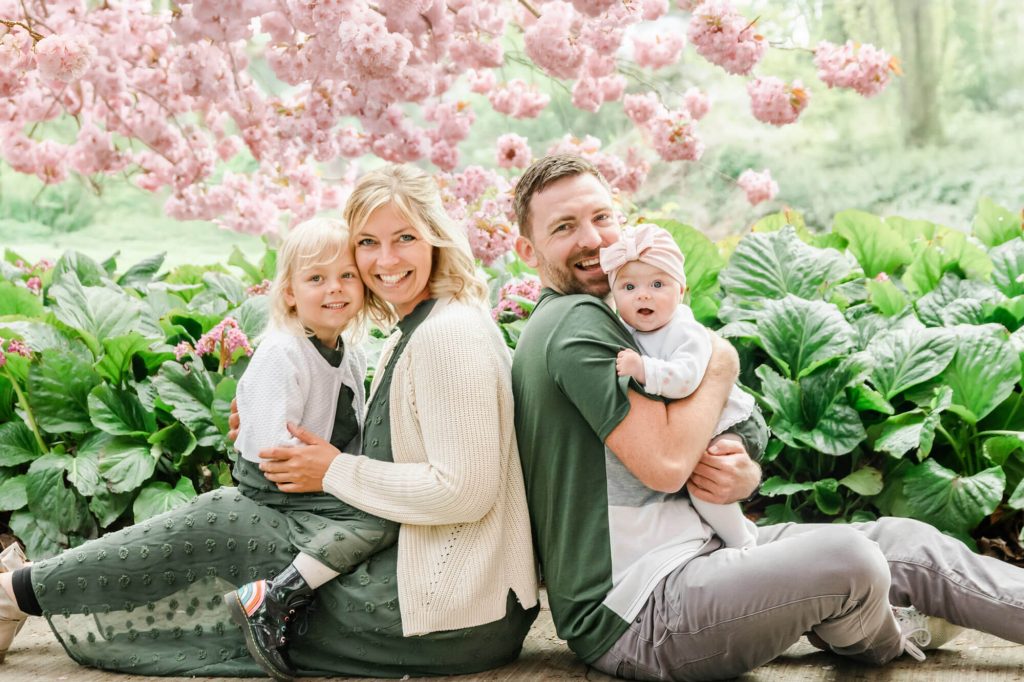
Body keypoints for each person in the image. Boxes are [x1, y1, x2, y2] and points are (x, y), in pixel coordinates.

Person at [0, 164, 539, 677]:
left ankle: (13, 595)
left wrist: (329, 470)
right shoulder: (422, 325)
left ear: (436, 239)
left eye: (405, 238)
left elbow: (465, 490)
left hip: (443, 610)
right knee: (227, 527)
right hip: (445, 588)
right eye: (368, 243)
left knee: (226, 520)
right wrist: (277, 417)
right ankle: (19, 592)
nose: (384, 259)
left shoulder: (448, 337)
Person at [510, 153, 1021, 681]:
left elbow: (687, 443)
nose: (592, 239)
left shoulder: (620, 315)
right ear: (528, 251)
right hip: (639, 611)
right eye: (565, 227)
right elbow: (664, 463)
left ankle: (857, 611)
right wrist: (720, 365)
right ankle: (876, 627)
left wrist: (739, 468)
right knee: (852, 558)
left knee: (906, 542)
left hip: (697, 551)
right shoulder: (573, 322)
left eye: (601, 217)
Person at [223, 217, 399, 680]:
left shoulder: (351, 352)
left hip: (314, 468)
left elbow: (353, 425)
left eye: (346, 276)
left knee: (383, 496)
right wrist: (341, 477)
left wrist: (352, 468)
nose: (334, 289)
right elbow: (271, 446)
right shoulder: (282, 353)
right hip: (274, 475)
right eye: (316, 278)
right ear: (289, 294)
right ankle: (273, 597)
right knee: (382, 513)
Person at [599, 223, 760, 549]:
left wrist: (642, 368)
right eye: (628, 287)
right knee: (700, 481)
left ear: (682, 290)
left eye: (658, 284)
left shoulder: (684, 331)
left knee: (707, 481)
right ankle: (731, 532)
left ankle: (741, 541)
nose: (643, 294)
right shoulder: (630, 332)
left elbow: (685, 379)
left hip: (733, 420)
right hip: (702, 419)